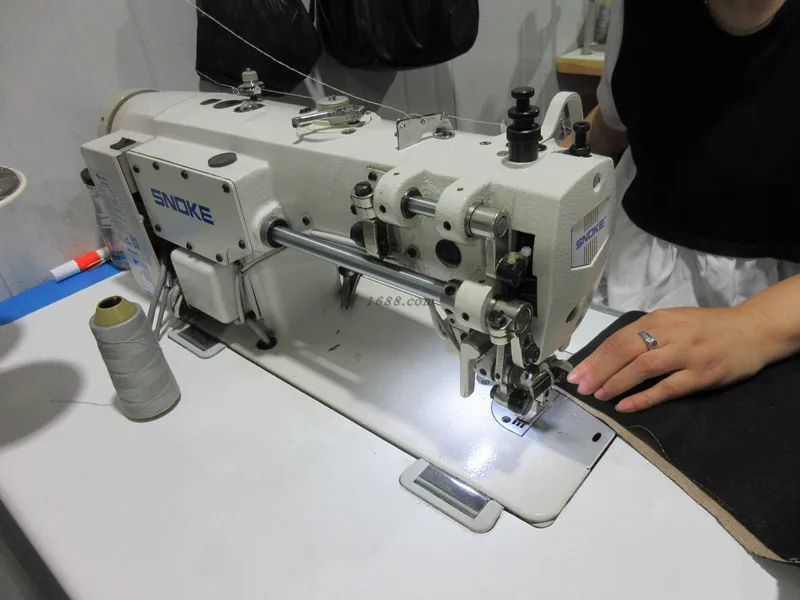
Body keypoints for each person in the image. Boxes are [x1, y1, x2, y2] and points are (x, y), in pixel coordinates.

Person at [567, 0, 800, 412]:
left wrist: (754, 326)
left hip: (777, 314)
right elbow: (614, 124)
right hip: (625, 270)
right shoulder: (635, 9)